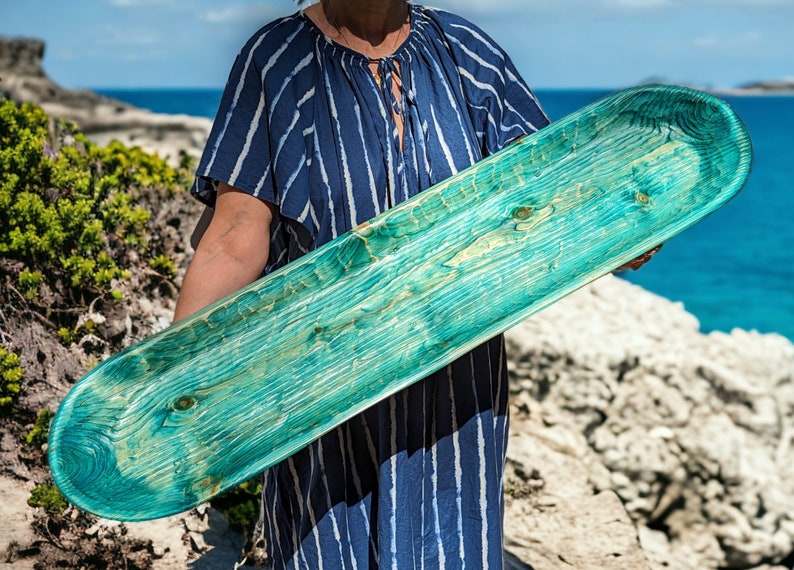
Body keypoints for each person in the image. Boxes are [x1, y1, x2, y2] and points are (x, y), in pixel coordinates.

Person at [174, 0, 654, 567]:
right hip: (321, 382)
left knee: (451, 544)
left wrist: (624, 223)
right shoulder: (276, 60)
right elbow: (233, 235)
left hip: (456, 383)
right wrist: (174, 392)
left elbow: (549, 192)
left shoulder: (467, 52)